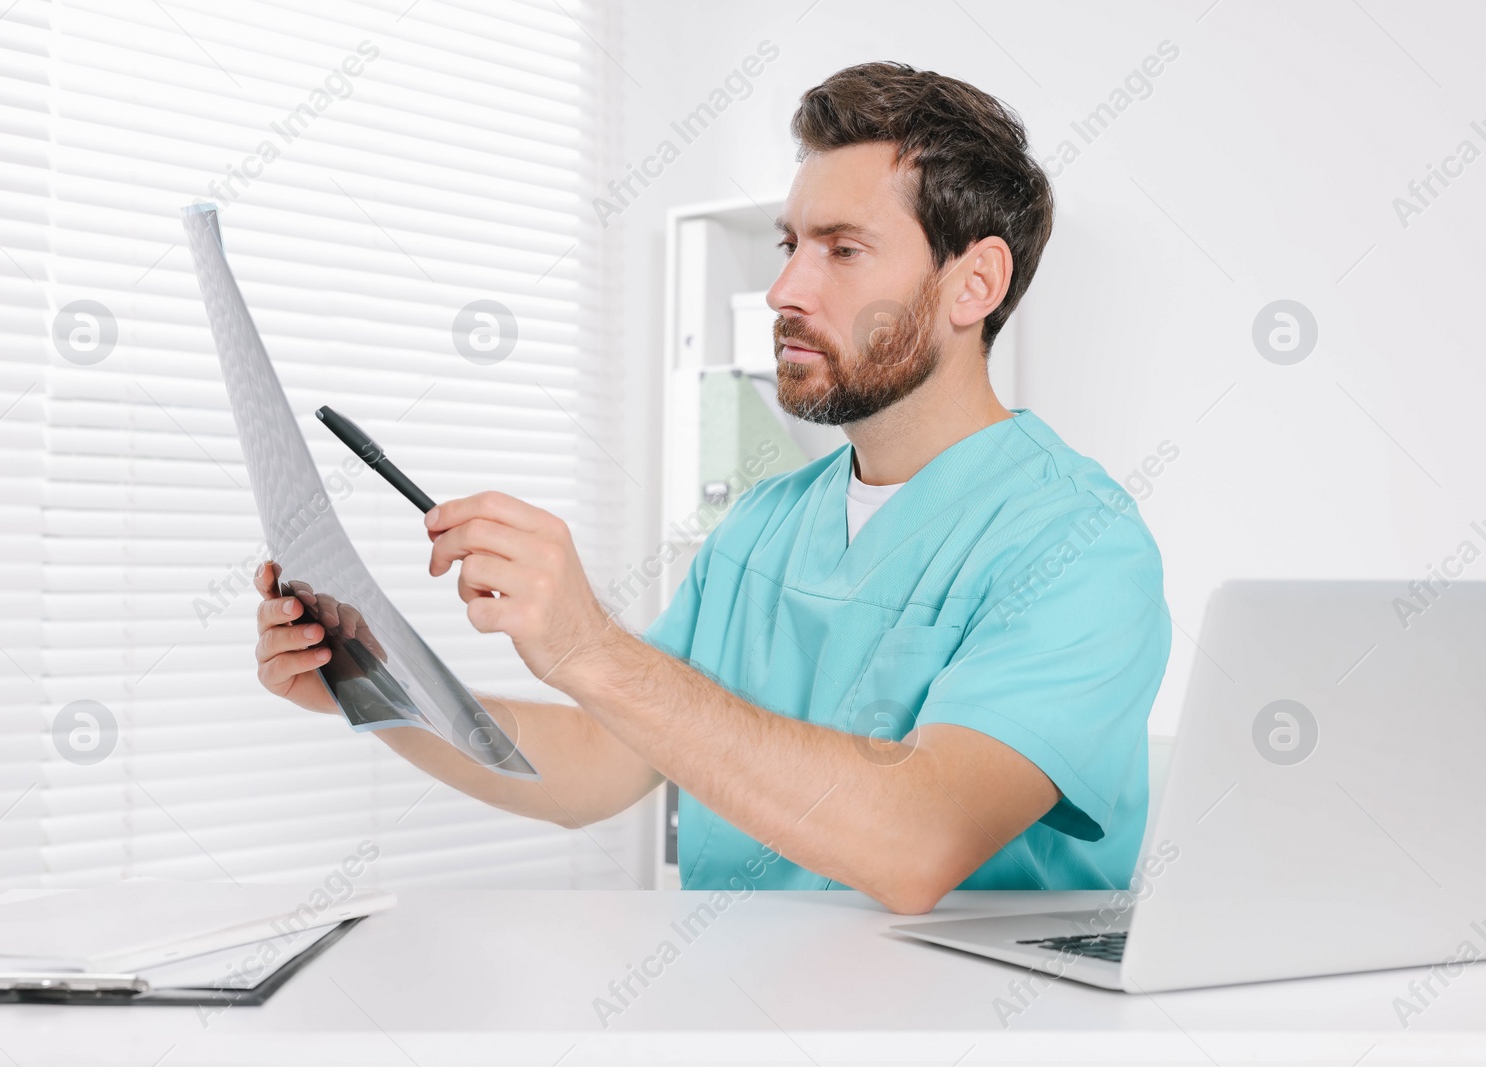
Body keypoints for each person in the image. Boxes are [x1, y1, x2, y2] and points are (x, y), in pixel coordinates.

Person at [252, 61, 1171, 915]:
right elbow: (602, 762)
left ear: (976, 282)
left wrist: (592, 649)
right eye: (790, 244)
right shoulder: (765, 527)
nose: (782, 289)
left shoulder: (1079, 544)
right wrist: (369, 687)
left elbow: (918, 841)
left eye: (842, 250)